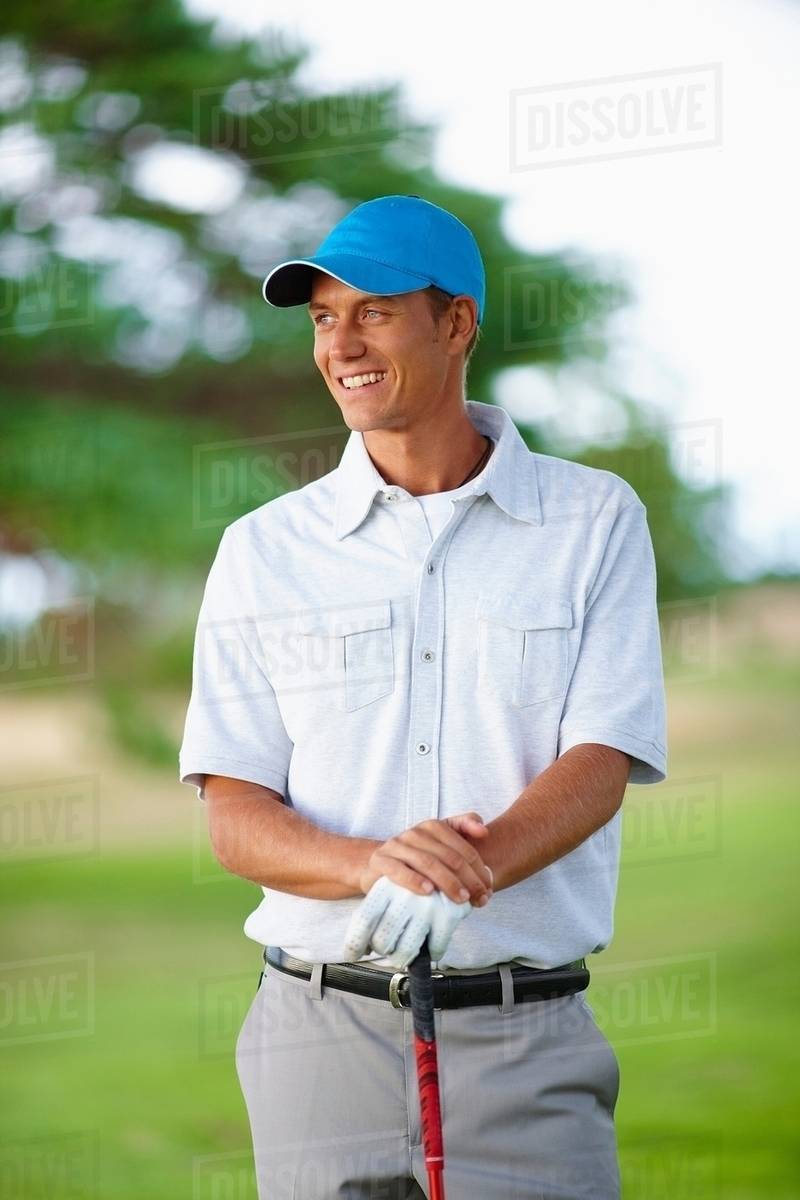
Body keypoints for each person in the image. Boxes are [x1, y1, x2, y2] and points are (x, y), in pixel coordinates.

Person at [178, 194, 667, 1199]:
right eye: (322, 317)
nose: (341, 343)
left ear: (454, 324)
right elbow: (235, 813)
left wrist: (454, 872)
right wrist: (376, 867)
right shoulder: (263, 551)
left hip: (522, 1038)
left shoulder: (592, 519)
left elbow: (599, 761)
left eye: (373, 311)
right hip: (317, 1041)